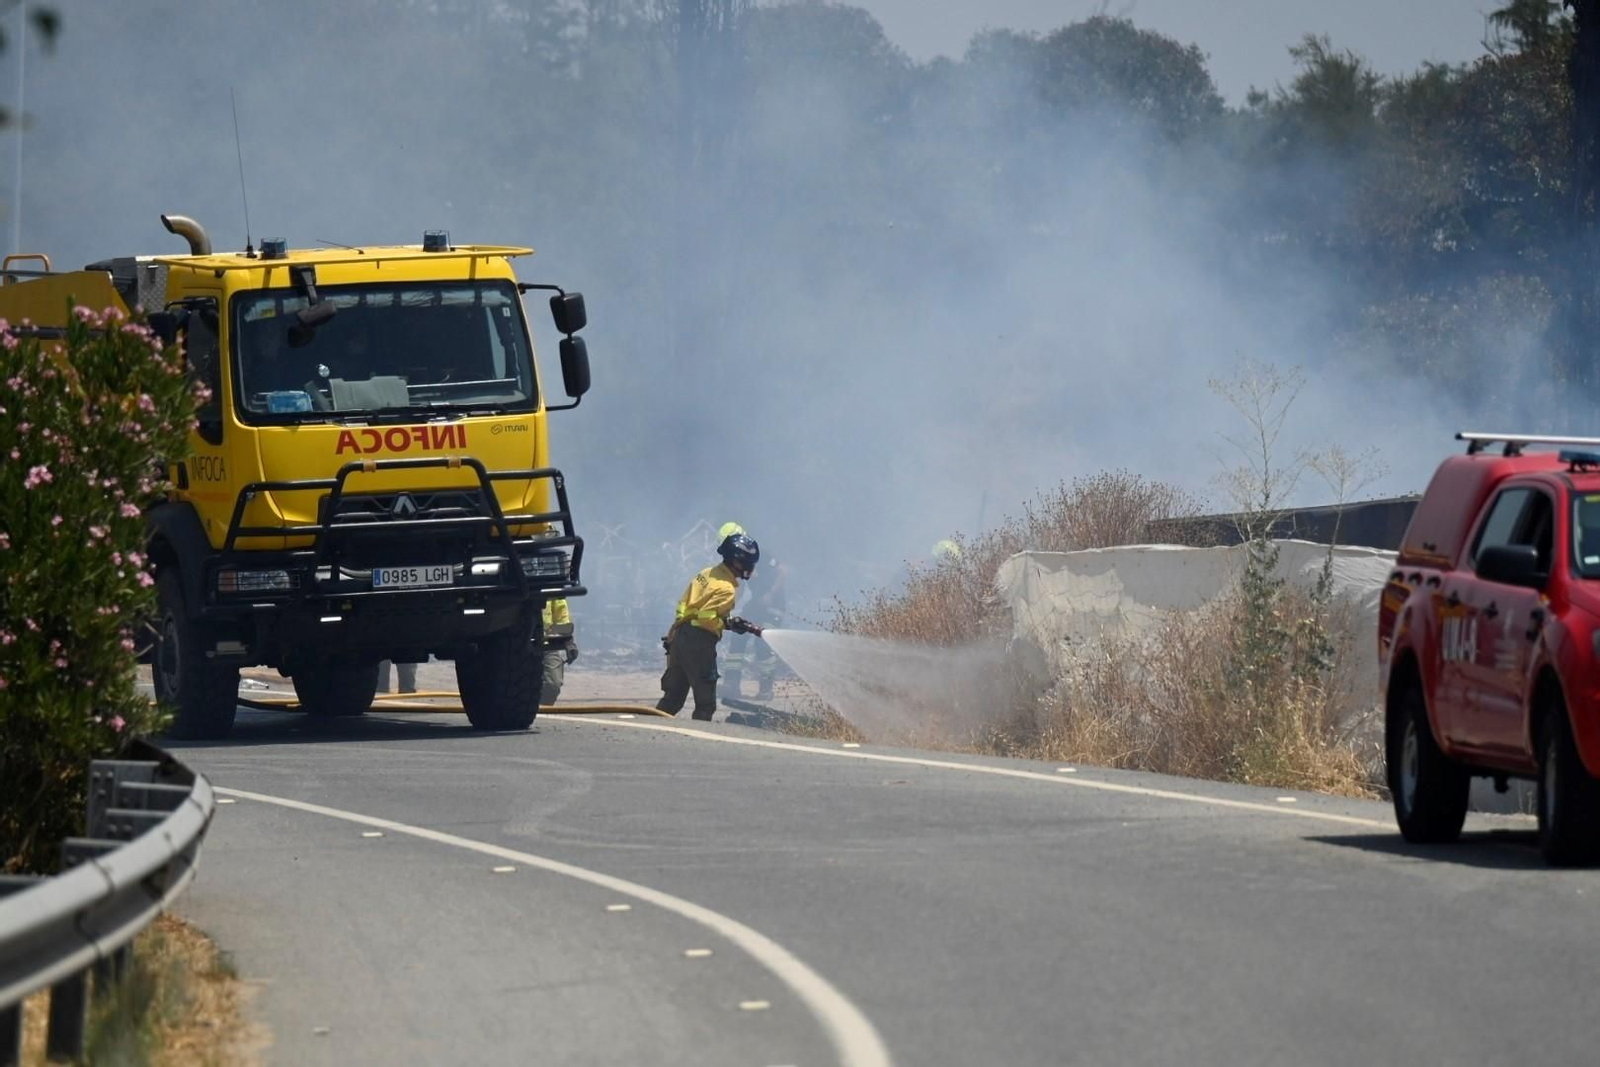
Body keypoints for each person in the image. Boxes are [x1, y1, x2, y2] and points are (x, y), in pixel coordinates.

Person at [658, 532, 763, 721]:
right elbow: (707, 618)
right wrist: (726, 622)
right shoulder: (727, 589)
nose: (751, 568)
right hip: (699, 643)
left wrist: (727, 621)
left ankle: (653, 729)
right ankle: (698, 746)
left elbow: (687, 604)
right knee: (705, 705)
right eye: (749, 563)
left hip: (679, 636)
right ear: (737, 561)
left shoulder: (706, 573)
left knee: (672, 700)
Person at [723, 552, 789, 701]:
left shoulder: (763, 555)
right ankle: (731, 685)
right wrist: (729, 605)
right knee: (737, 637)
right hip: (755, 605)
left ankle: (766, 689)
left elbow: (784, 571)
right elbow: (739, 587)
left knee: (763, 645)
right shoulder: (739, 563)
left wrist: (771, 594)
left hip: (774, 607)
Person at [542, 597, 577, 705]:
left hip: (545, 643)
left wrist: (568, 641)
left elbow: (560, 613)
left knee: (552, 685)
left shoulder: (549, 582)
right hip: (509, 644)